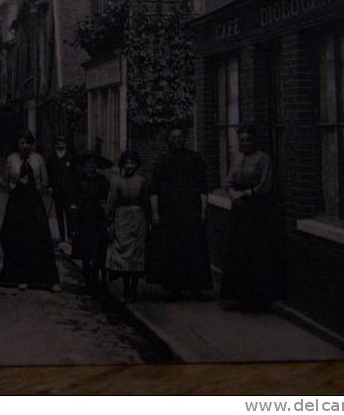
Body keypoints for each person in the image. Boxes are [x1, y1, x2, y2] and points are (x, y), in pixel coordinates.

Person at [149, 125, 212, 301]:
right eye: (174, 137)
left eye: (180, 137)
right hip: (169, 212)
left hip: (190, 211)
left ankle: (196, 287)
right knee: (173, 249)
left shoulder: (195, 158)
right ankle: (174, 288)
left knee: (194, 249)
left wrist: (203, 212)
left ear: (185, 139)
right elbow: (154, 189)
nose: (177, 140)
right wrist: (155, 213)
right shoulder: (162, 160)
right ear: (168, 140)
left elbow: (203, 187)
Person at [220, 125, 277, 311]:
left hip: (257, 210)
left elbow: (265, 185)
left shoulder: (263, 158)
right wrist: (232, 194)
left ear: (254, 141)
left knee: (256, 251)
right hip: (240, 210)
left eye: (248, 140)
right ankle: (240, 296)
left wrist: (246, 193)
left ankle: (257, 299)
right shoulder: (237, 158)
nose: (244, 143)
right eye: (241, 140)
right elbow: (228, 182)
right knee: (239, 251)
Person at [0, 131, 61, 292]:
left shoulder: (37, 158)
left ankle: (48, 280)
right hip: (17, 202)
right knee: (16, 237)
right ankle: (19, 278)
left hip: (34, 201)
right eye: (22, 143)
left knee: (40, 236)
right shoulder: (11, 159)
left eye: (28, 143)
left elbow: (44, 180)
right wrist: (17, 185)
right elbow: (6, 181)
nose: (25, 146)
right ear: (17, 145)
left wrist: (37, 192)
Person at [106, 150, 149, 302]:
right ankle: (126, 288)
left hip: (138, 219)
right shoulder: (116, 181)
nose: (130, 165)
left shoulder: (142, 181)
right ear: (122, 164)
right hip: (121, 219)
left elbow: (146, 202)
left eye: (133, 162)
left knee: (136, 254)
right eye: (127, 162)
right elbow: (111, 202)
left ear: (137, 164)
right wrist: (109, 220)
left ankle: (134, 289)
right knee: (123, 253)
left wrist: (148, 220)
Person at [71, 151, 112, 296]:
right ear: (84, 165)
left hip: (98, 219)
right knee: (85, 253)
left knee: (98, 252)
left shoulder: (103, 181)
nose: (91, 166)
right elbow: (74, 200)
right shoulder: (79, 180)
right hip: (83, 219)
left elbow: (107, 199)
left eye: (94, 163)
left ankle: (96, 282)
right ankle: (88, 283)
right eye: (88, 163)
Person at [45, 135, 77, 245]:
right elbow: (48, 174)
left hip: (68, 191)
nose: (60, 144)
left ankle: (70, 235)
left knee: (69, 213)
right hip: (57, 190)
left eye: (62, 142)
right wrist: (49, 186)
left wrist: (74, 189)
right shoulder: (51, 159)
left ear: (66, 144)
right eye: (58, 142)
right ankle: (62, 235)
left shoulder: (71, 158)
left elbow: (74, 175)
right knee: (59, 213)